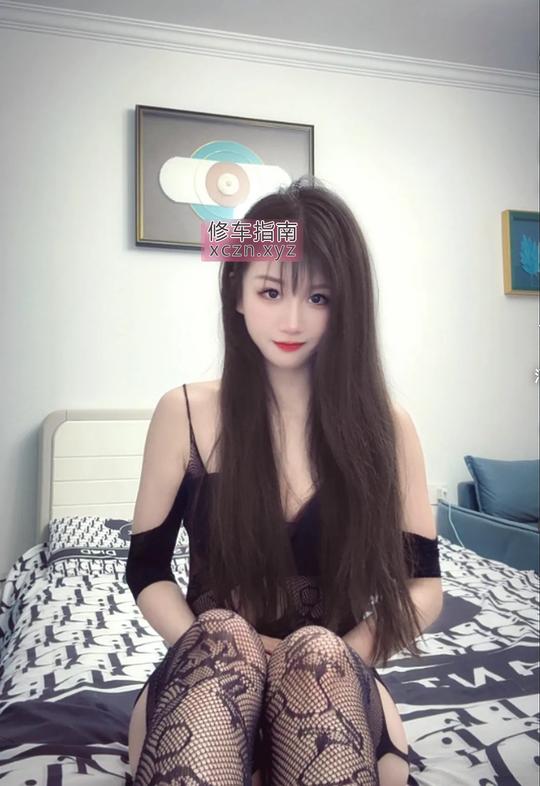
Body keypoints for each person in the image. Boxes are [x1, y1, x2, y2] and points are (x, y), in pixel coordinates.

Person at [125, 176, 443, 786]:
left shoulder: (388, 429)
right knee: (226, 634)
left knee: (316, 650)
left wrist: (344, 654)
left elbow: (422, 584)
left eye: (319, 297)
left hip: (336, 675)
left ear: (346, 307)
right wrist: (228, 655)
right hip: (208, 672)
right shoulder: (184, 413)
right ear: (237, 292)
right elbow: (147, 569)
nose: (293, 319)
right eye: (271, 291)